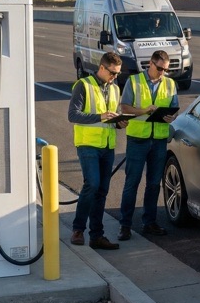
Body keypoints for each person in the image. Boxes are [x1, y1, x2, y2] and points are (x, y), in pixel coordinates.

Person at [68, 52, 128, 250]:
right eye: (112, 73)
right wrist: (100, 117)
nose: (114, 77)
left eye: (117, 74)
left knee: (102, 191)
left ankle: (97, 236)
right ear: (102, 68)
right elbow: (73, 115)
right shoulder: (83, 85)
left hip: (107, 146)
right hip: (88, 144)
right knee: (92, 185)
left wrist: (120, 122)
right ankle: (78, 229)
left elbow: (111, 116)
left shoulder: (114, 88)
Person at [117, 50, 179, 241]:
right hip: (138, 139)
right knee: (132, 183)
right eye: (159, 68)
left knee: (153, 184)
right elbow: (124, 107)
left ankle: (149, 222)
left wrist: (171, 116)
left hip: (159, 140)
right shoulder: (134, 81)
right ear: (150, 64)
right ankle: (125, 226)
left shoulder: (170, 84)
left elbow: (174, 107)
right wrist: (144, 110)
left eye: (165, 70)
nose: (162, 72)